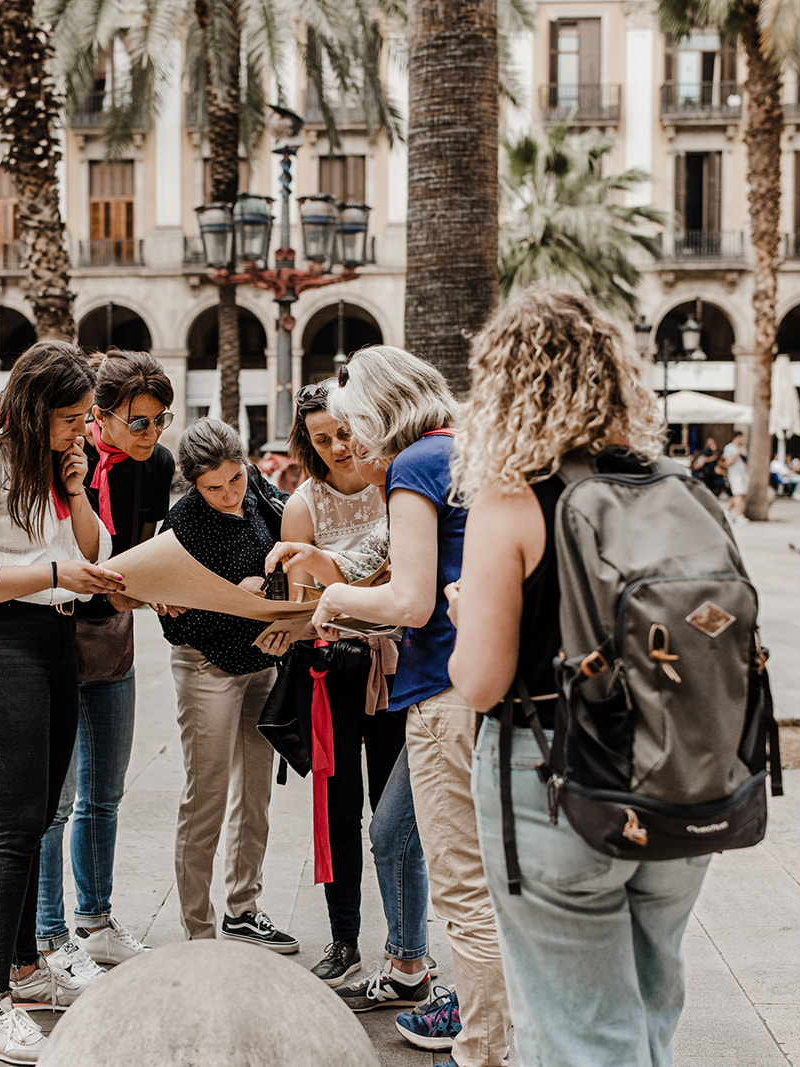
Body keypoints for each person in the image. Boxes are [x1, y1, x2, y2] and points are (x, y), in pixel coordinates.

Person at [448, 287, 703, 1067]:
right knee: (649, 1013)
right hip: (681, 775)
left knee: (576, 1034)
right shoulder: (676, 488)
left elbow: (482, 684)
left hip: (556, 784)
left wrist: (466, 612)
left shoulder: (514, 498)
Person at [0, 340, 125, 1063]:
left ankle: (28, 971)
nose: (82, 430)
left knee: (38, 815)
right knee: (12, 823)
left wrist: (75, 486)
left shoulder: (54, 463)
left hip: (50, 636)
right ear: (36, 408)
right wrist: (51, 570)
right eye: (72, 418)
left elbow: (94, 554)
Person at [308, 346, 509, 1067]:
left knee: (461, 885)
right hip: (486, 683)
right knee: (490, 875)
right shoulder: (463, 450)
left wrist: (332, 599)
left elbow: (410, 600)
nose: (353, 439)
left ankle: (484, 1048)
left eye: (357, 421)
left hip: (441, 693)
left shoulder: (414, 464)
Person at [35, 351, 176, 974]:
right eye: (138, 422)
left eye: (159, 420)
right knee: (55, 801)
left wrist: (153, 586)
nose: (150, 434)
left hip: (113, 637)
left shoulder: (158, 465)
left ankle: (94, 922)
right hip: (59, 639)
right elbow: (61, 554)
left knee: (105, 794)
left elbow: (137, 555)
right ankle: (48, 934)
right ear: (100, 416)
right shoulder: (67, 458)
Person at [261, 381, 404, 990]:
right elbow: (300, 602)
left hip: (396, 669)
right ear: (308, 445)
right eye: (323, 439)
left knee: (395, 816)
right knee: (338, 813)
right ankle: (344, 940)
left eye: (344, 432)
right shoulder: (303, 505)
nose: (339, 447)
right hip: (332, 672)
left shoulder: (394, 485)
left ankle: (405, 944)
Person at [155, 418, 299, 953]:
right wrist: (231, 596)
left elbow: (293, 541)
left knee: (255, 793)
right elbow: (175, 623)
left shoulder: (261, 491)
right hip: (206, 667)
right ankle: (198, 931)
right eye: (213, 487)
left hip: (261, 662)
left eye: (235, 480)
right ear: (193, 483)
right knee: (206, 795)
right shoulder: (181, 526)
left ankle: (244, 910)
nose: (228, 493)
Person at [721, 430, 748, 521]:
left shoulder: (742, 448)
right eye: (740, 438)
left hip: (742, 474)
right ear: (736, 438)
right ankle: (739, 516)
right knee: (738, 494)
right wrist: (737, 454)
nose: (742, 440)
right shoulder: (729, 448)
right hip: (734, 474)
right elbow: (727, 463)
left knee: (737, 494)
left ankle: (727, 512)